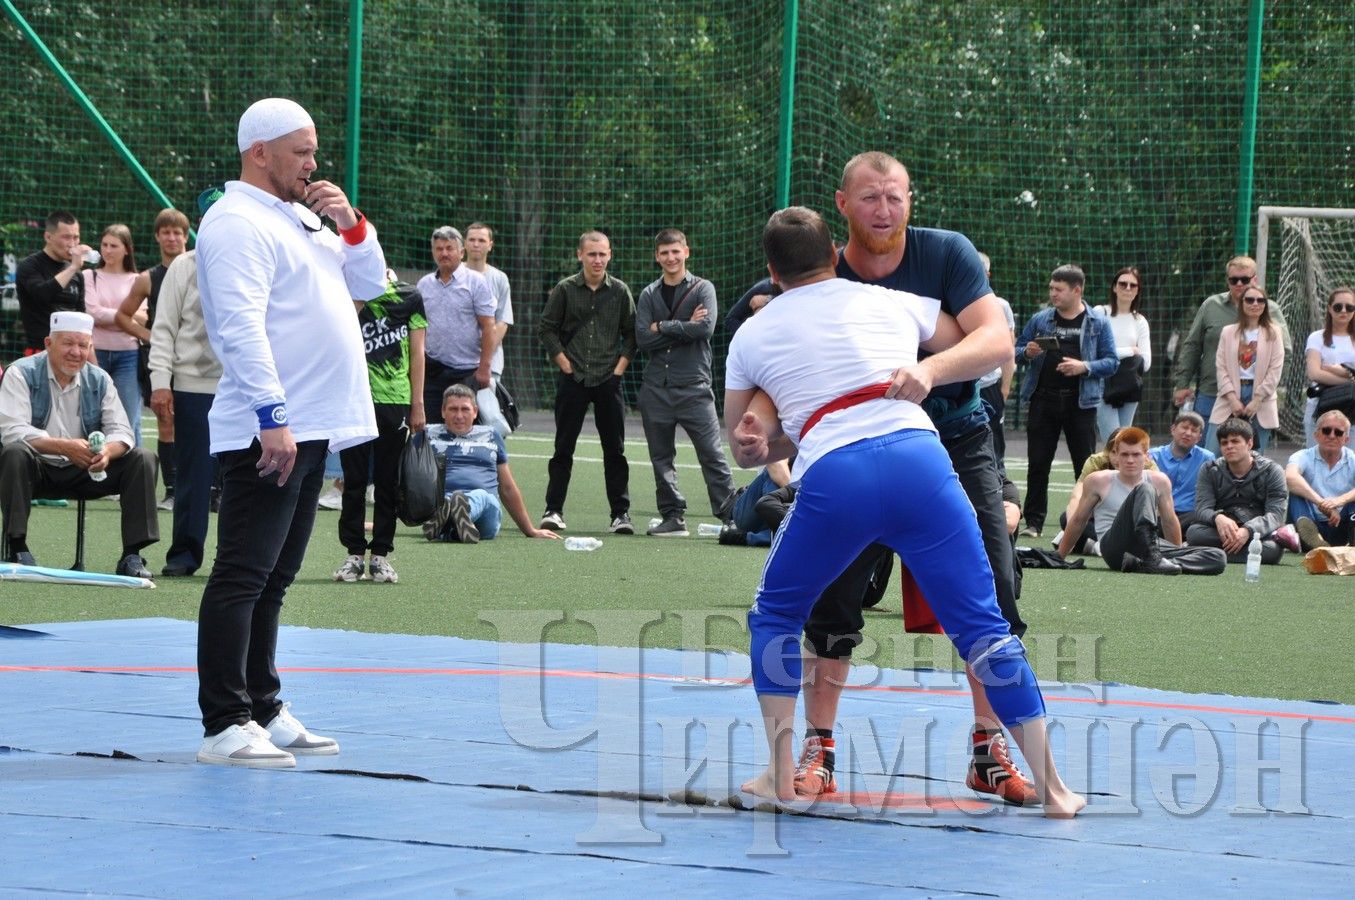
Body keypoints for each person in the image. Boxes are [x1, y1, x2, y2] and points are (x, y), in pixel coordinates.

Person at [726, 206, 1083, 817]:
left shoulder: (750, 335)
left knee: (775, 616)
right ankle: (1056, 788)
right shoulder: (891, 302)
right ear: (834, 254)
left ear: (770, 272)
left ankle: (782, 773)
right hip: (921, 458)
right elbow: (988, 343)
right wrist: (924, 367)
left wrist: (769, 420)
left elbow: (745, 444)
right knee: (985, 628)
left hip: (836, 472)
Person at [797, 151, 1036, 805]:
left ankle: (989, 749)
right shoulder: (817, 265)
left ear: (911, 200)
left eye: (894, 196)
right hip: (856, 444)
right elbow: (774, 334)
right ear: (841, 205)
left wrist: (930, 370)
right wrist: (761, 423)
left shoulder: (946, 254)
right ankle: (816, 747)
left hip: (953, 441)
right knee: (831, 591)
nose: (883, 209)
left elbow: (996, 339)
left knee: (994, 584)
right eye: (869, 198)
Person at [193, 97, 386, 768]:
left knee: (274, 577)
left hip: (311, 426)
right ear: (259, 152)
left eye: (313, 150)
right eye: (300, 150)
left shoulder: (302, 216)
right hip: (268, 428)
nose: (313, 162)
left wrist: (351, 222)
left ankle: (263, 706)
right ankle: (223, 722)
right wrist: (271, 417)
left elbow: (370, 282)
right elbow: (239, 325)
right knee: (243, 574)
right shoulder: (235, 221)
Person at [0, 311, 158, 575]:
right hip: (36, 469)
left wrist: (106, 453)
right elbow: (12, 430)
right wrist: (64, 447)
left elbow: (122, 431)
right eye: (68, 343)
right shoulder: (21, 373)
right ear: (49, 344)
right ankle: (17, 547)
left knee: (142, 458)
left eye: (83, 345)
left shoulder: (99, 379)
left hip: (87, 469)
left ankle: (132, 555)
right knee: (15, 452)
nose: (76, 352)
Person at [634, 228, 736, 536]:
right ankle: (672, 516)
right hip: (656, 388)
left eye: (675, 251)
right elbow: (642, 338)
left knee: (712, 455)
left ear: (686, 252)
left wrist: (662, 325)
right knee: (661, 458)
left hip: (694, 387)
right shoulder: (649, 294)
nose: (670, 257)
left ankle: (731, 516)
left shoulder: (704, 289)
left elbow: (704, 329)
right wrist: (683, 326)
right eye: (664, 253)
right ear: (657, 257)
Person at [145, 191, 223, 576]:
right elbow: (163, 328)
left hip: (245, 387)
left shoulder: (257, 262)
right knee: (193, 476)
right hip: (193, 387)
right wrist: (161, 381)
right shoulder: (184, 266)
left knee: (243, 480)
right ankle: (184, 556)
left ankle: (235, 559)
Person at [537, 230, 636, 534]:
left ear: (610, 255)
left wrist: (619, 370)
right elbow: (547, 329)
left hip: (608, 379)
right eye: (591, 254)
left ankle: (620, 515)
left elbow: (633, 334)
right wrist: (564, 363)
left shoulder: (620, 291)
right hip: (573, 378)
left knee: (615, 450)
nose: (597, 259)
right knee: (563, 447)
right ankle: (553, 510)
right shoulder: (565, 289)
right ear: (580, 254)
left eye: (602, 254)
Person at [332, 276, 427, 585]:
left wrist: (418, 403)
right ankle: (354, 554)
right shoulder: (344, 292)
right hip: (353, 399)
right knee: (354, 480)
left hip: (394, 399)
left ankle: (381, 556)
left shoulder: (408, 296)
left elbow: (418, 352)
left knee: (388, 482)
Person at [1015, 264, 1118, 538]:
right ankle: (1034, 523)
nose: (1053, 294)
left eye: (1058, 289)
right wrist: (1027, 351)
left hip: (1080, 404)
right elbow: (1015, 350)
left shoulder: (1098, 322)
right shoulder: (1040, 319)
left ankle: (1086, 522)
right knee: (1038, 463)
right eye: (1051, 288)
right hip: (1043, 400)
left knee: (1084, 465)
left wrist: (1084, 367)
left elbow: (1112, 362)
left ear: (1077, 290)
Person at [1056, 427, 1226, 575]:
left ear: (1147, 456)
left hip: (1151, 547)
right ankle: (1152, 559)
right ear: (1115, 455)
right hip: (1115, 549)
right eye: (1125, 454)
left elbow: (1169, 521)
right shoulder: (1098, 480)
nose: (1130, 460)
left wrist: (1176, 553)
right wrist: (1060, 557)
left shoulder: (1160, 480)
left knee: (1218, 557)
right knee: (1144, 489)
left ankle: (1150, 564)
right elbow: (1078, 520)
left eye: (1136, 454)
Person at [1172, 256, 1290, 455]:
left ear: (1254, 279)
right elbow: (1192, 345)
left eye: (1244, 279)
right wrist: (1183, 383)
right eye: (1233, 279)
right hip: (1213, 391)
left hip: (1256, 396)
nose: (1239, 284)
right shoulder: (1211, 305)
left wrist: (1265, 391)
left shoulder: (1270, 310)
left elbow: (1283, 354)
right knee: (1206, 455)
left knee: (1250, 457)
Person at [115, 208, 191, 509]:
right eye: (166, 232)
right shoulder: (147, 278)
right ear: (158, 236)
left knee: (205, 422)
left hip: (200, 361)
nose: (172, 237)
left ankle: (213, 490)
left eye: (177, 232)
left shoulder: (200, 269)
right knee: (166, 421)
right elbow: (123, 315)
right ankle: (172, 491)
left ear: (186, 236)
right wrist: (151, 337)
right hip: (162, 361)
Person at [423, 384, 560, 543]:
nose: (459, 415)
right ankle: (452, 525)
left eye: (465, 409)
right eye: (453, 409)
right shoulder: (428, 434)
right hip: (440, 500)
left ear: (475, 411)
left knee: (481, 496)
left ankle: (453, 512)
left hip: (486, 509)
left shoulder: (490, 434)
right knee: (443, 502)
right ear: (443, 411)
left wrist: (530, 530)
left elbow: (507, 487)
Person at [416, 226, 497, 419]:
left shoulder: (477, 282)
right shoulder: (423, 285)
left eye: (449, 248)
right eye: (439, 248)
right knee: (430, 430)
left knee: (465, 430)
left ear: (461, 252)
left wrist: (485, 368)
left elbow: (488, 326)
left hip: (466, 372)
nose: (444, 253)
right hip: (432, 371)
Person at [1186, 417, 1291, 564]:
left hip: (1256, 532)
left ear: (1249, 443)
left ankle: (1207, 554)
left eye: (1235, 441)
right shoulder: (1210, 469)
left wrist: (1248, 530)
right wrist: (1218, 518)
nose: (1229, 446)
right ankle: (1225, 553)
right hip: (1221, 530)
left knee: (1272, 549)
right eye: (1224, 443)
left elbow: (1276, 515)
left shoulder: (1273, 470)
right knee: (1194, 534)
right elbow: (1202, 508)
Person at [83, 224, 143, 448]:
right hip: (94, 353)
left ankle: (135, 471)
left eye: (114, 246)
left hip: (128, 355)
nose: (108, 250)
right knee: (92, 415)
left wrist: (113, 318)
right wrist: (126, 317)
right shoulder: (90, 276)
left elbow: (144, 318)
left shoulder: (138, 279)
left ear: (127, 249)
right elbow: (92, 313)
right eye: (104, 245)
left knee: (129, 418)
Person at [1210, 284, 1284, 453]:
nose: (1255, 304)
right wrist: (1232, 398)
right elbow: (1221, 367)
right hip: (1230, 395)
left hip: (1261, 398)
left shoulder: (1274, 332)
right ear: (1241, 303)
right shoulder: (1228, 332)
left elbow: (1275, 369)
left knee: (1254, 457)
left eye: (1260, 300)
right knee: (1213, 452)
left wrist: (1257, 400)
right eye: (1250, 300)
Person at [462, 222, 514, 436]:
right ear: (464, 244)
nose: (476, 244)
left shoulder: (499, 278)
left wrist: (485, 353)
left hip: (490, 364)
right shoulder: (454, 274)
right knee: (460, 416)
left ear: (490, 245)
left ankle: (491, 467)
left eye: (481, 240)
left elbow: (503, 321)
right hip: (458, 362)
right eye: (472, 239)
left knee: (489, 421)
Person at [15, 211, 90, 354]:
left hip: (71, 352)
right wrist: (73, 267)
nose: (72, 243)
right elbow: (42, 294)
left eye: (76, 237)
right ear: (48, 237)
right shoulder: (30, 265)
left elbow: (82, 316)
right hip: (40, 351)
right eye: (66, 237)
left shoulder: (77, 274)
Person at [1094, 266, 1152, 443]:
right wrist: (1129, 351)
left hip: (1128, 383)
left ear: (1137, 290)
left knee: (1126, 440)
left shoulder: (1140, 321)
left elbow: (1146, 361)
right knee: (1114, 440)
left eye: (1132, 285)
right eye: (1123, 284)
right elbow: (1094, 353)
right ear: (1114, 287)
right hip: (1103, 382)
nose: (1127, 288)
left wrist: (1111, 355)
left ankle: (1121, 471)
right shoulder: (1100, 313)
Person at [1286, 410, 1355, 550]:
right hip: (1313, 519)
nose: (1331, 436)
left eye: (1338, 432)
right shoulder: (1302, 456)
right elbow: (1290, 477)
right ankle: (1312, 538)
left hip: (1342, 523)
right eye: (1326, 430)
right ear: (1316, 435)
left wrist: (1339, 500)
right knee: (1296, 493)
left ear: (1346, 439)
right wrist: (1323, 504)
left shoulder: (1353, 459)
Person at [975, 251, 1016, 467]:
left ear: (987, 275)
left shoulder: (1000, 306)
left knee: (995, 446)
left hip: (989, 387)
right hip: (958, 387)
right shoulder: (948, 301)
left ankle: (999, 493)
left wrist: (1005, 388)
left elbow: (1008, 349)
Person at [1301, 287, 1355, 446]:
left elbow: (1321, 370)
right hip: (1321, 405)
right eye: (1338, 307)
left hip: (1352, 408)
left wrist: (1339, 371)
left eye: (1350, 307)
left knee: (1350, 463)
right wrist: (1350, 378)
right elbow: (1314, 373)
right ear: (1330, 308)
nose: (1343, 311)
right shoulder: (1317, 337)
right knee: (1316, 459)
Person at [1149, 410, 1215, 532]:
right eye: (1184, 428)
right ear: (1173, 429)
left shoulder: (1207, 458)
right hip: (1158, 513)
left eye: (1194, 430)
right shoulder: (1153, 456)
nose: (1188, 433)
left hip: (1190, 515)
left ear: (1199, 437)